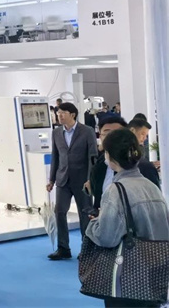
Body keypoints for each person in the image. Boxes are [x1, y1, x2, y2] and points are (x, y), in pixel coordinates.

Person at [84, 128, 169, 308]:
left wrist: (94, 224)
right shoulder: (152, 187)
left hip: (127, 278)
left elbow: (106, 237)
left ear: (110, 156)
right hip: (155, 275)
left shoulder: (116, 191)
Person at [46, 102, 97, 260]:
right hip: (63, 179)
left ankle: (87, 249)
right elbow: (55, 157)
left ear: (72, 114)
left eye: (62, 113)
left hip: (82, 180)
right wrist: (51, 179)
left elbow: (92, 157)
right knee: (59, 212)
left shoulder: (87, 131)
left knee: (85, 213)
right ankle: (63, 248)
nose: (59, 116)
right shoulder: (56, 133)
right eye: (58, 113)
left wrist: (91, 179)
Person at [88, 115, 160, 214]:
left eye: (117, 133)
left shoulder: (144, 167)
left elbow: (155, 205)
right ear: (100, 137)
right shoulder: (99, 165)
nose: (112, 137)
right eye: (107, 133)